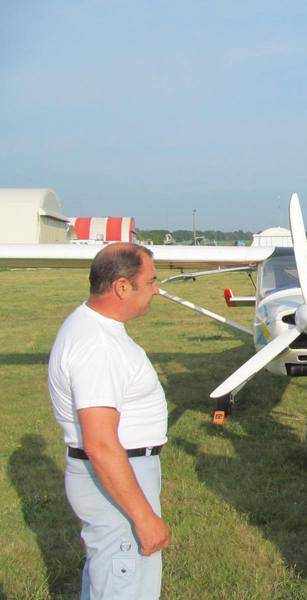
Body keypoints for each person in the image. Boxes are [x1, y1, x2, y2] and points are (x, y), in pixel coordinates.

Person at [48, 243, 170, 599]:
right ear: (121, 287)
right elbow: (101, 443)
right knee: (124, 581)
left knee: (110, 578)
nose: (156, 290)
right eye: (150, 281)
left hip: (119, 475)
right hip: (116, 478)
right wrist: (144, 518)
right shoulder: (97, 345)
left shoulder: (93, 327)